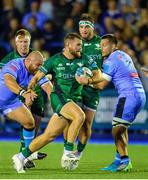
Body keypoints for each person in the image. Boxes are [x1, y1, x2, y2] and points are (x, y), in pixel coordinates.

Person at [12, 32, 102, 173]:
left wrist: (89, 80)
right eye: (78, 44)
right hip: (58, 97)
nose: (81, 47)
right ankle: (67, 153)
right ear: (68, 45)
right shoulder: (54, 60)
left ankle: (20, 156)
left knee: (49, 136)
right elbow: (36, 78)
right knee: (80, 116)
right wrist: (29, 91)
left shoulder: (85, 59)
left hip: (72, 100)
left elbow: (99, 75)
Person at [94, 34, 146, 172]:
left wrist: (85, 80)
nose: (102, 48)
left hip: (127, 96)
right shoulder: (124, 55)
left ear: (113, 45)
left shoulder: (111, 60)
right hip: (140, 95)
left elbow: (101, 85)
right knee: (122, 128)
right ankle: (118, 161)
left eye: (104, 45)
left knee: (116, 131)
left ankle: (125, 160)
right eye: (101, 45)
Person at [0, 29, 48, 168]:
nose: (23, 44)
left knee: (31, 121)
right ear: (15, 43)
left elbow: (45, 80)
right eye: (20, 42)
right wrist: (23, 93)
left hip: (20, 96)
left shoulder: (35, 58)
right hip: (16, 93)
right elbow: (8, 80)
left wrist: (60, 103)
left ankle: (27, 153)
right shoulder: (10, 60)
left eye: (25, 41)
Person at [63, 13, 103, 166]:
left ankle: (77, 154)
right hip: (74, 89)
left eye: (87, 26)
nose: (83, 29)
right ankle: (66, 152)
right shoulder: (74, 42)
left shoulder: (101, 43)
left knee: (86, 126)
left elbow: (107, 67)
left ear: (92, 27)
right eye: (81, 26)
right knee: (68, 121)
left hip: (92, 90)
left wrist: (94, 81)